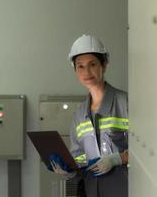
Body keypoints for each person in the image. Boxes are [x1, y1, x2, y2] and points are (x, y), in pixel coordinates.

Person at [50, 34, 129, 197]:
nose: (87, 72)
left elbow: (149, 150)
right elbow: (80, 160)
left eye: (92, 64)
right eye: (80, 66)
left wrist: (117, 159)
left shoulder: (125, 102)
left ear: (104, 65)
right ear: (75, 69)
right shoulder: (79, 114)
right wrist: (68, 170)